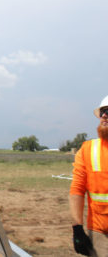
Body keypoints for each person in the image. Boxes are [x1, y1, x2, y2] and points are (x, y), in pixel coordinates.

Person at [69, 95, 108, 256]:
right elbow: (77, 190)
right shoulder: (88, 150)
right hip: (101, 233)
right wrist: (77, 228)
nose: (104, 116)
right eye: (103, 112)